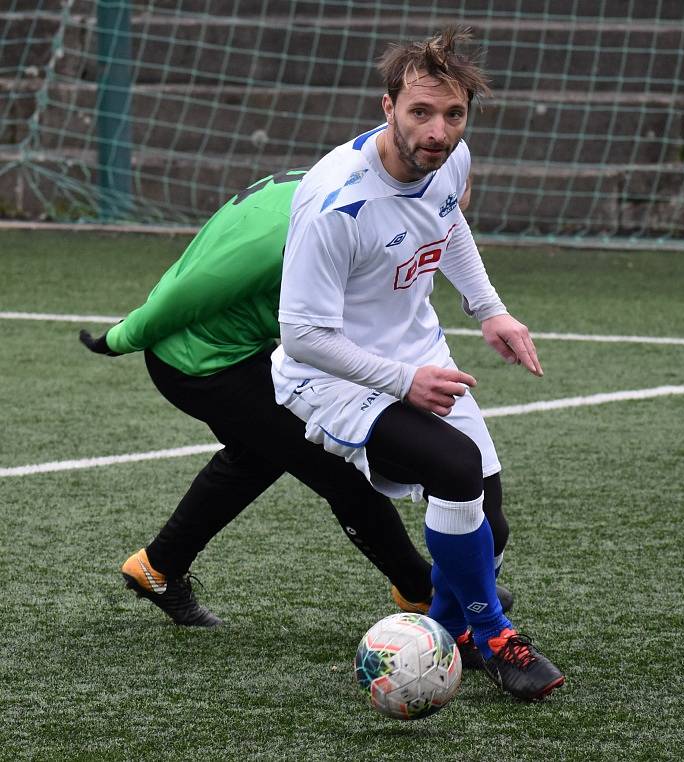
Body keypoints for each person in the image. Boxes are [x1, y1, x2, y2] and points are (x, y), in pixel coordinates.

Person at [78, 168, 513, 634]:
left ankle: (156, 567)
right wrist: (118, 338)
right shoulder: (299, 228)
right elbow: (184, 293)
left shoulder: (355, 184)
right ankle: (419, 589)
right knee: (334, 463)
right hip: (202, 362)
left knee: (259, 456)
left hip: (252, 349)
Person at [272, 27, 564, 700]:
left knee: (490, 529)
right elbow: (302, 334)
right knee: (453, 467)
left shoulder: (449, 160)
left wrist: (488, 308)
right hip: (333, 377)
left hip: (417, 355)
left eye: (453, 115)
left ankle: (436, 633)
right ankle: (493, 637)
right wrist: (403, 381)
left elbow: (448, 220)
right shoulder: (334, 202)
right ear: (387, 108)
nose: (437, 131)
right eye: (420, 113)